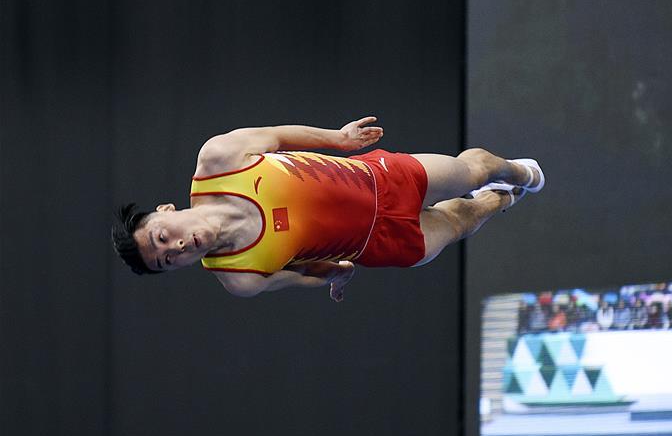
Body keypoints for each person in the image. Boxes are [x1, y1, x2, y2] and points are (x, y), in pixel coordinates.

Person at [111, 117, 545, 300]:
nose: (179, 245)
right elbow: (301, 273)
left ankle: (517, 174)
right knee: (461, 220)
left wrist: (337, 140)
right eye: (169, 260)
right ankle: (503, 198)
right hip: (376, 242)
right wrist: (334, 273)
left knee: (474, 170)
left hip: (381, 178)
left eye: (162, 236)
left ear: (165, 209)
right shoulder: (238, 277)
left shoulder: (218, 161)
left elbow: (278, 136)